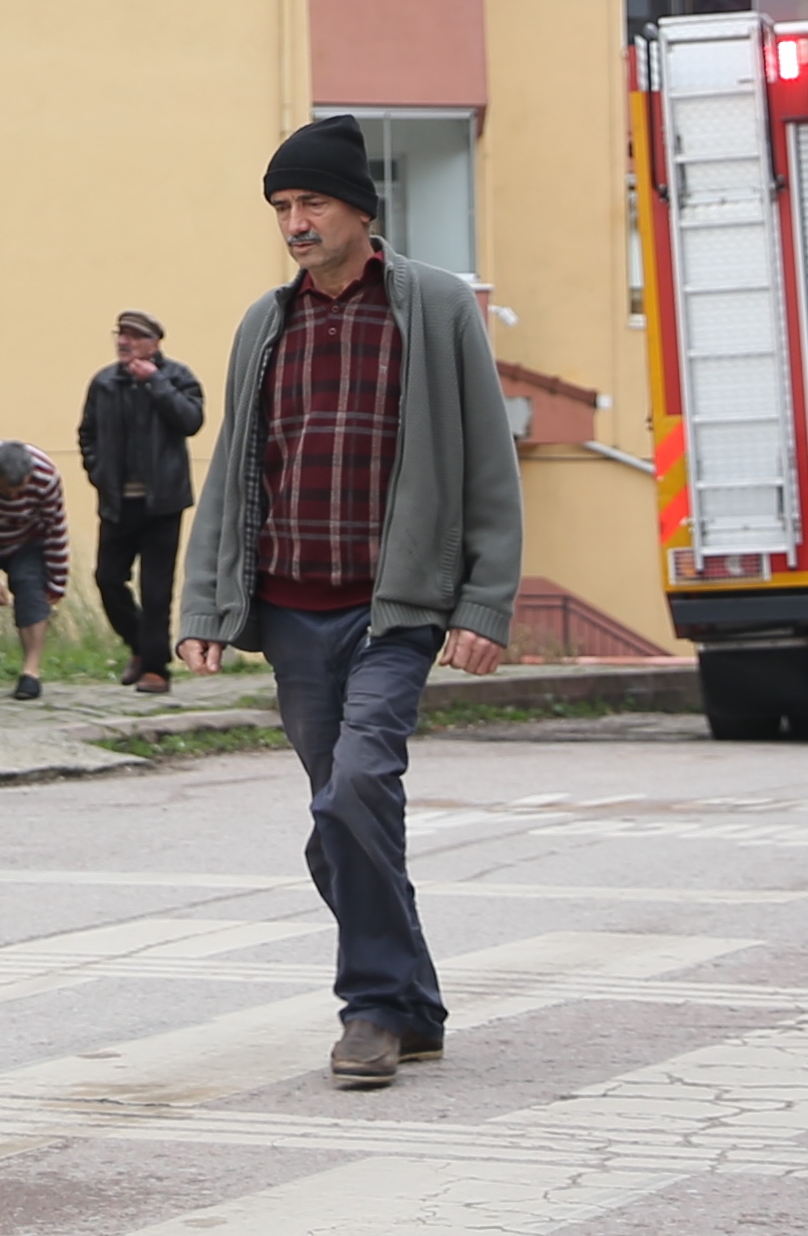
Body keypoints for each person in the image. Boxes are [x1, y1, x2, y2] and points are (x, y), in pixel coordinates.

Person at [178, 113, 525, 1091]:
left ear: (361, 211)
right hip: (292, 611)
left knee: (356, 789)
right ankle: (410, 1001)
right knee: (347, 815)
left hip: (394, 609)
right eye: (283, 206)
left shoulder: (435, 308)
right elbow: (235, 473)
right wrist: (206, 603)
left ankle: (370, 1007)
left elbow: (487, 468)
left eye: (311, 203)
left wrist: (484, 604)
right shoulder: (266, 321)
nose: (295, 222)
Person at [80, 307, 204, 691]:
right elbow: (87, 434)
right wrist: (98, 472)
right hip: (118, 501)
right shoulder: (104, 383)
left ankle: (155, 670)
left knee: (156, 589)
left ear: (153, 344)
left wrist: (157, 384)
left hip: (163, 502)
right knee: (108, 580)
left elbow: (191, 421)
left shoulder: (178, 377)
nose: (123, 342)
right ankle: (142, 645)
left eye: (133, 336)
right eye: (120, 334)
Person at [0, 435, 72, 701]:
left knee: (30, 589)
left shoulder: (46, 477)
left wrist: (57, 582)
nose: (13, 496)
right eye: (5, 490)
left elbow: (55, 529)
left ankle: (31, 672)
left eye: (19, 490)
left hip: (27, 540)